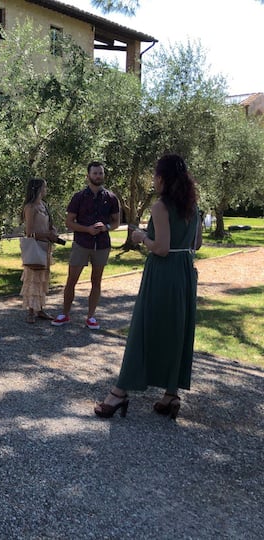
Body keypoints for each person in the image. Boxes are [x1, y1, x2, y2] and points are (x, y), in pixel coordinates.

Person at [94, 154, 202, 420]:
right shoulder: (192, 206)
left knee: (143, 328)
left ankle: (119, 392)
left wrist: (142, 236)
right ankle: (171, 394)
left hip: (163, 272)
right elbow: (197, 244)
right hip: (185, 271)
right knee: (176, 330)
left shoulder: (161, 207)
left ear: (162, 178)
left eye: (155, 175)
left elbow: (161, 248)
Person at [51, 161, 120, 330]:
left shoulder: (111, 198)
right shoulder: (79, 197)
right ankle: (65, 314)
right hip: (81, 243)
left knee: (96, 281)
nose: (98, 176)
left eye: (100, 173)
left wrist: (106, 227)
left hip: (102, 245)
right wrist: (87, 229)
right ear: (88, 176)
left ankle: (91, 317)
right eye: (95, 173)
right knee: (71, 280)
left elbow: (116, 222)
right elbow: (69, 222)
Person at [20, 178, 59, 324]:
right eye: (44, 187)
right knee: (33, 278)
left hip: (46, 246)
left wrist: (52, 231)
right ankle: (31, 310)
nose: (46, 190)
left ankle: (40, 308)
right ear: (38, 189)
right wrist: (46, 234)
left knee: (43, 278)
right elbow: (29, 232)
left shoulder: (44, 205)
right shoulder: (30, 208)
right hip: (35, 247)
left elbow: (48, 225)